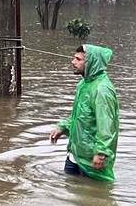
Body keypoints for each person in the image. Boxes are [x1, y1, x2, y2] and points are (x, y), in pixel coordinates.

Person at [50, 43, 119, 181]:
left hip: (92, 160)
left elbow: (106, 125)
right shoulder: (84, 85)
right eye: (74, 58)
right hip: (75, 155)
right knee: (71, 195)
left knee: (96, 198)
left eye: (78, 59)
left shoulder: (101, 89)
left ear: (91, 63)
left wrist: (101, 153)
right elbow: (80, 115)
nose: (73, 62)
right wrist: (63, 127)